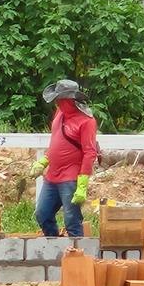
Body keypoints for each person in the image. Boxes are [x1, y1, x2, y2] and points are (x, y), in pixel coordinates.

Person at [30, 79, 99, 237]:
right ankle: (54, 247)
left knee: (71, 220)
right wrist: (44, 161)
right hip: (52, 176)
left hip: (70, 177)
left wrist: (82, 183)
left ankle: (78, 256)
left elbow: (89, 152)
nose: (57, 103)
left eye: (59, 99)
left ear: (68, 100)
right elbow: (57, 142)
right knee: (43, 214)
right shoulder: (60, 114)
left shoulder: (86, 122)